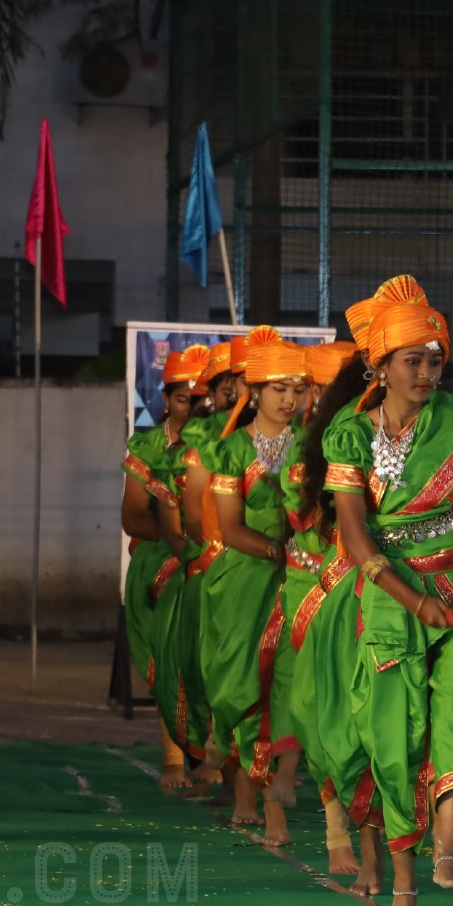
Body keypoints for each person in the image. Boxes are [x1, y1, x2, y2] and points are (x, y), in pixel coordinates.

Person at [304, 274, 453, 906]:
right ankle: (400, 879)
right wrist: (410, 600)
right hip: (388, 596)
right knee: (390, 737)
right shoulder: (348, 432)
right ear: (380, 363)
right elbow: (352, 533)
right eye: (414, 361)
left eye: (435, 359)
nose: (428, 372)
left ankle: (446, 852)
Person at [205, 326, 306, 837]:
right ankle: (245, 785)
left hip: (298, 579)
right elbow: (230, 529)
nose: (290, 400)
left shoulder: (313, 447)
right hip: (244, 579)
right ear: (255, 391)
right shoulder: (230, 452)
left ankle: (274, 798)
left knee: (285, 683)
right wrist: (278, 550)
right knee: (243, 681)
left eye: (298, 390)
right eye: (279, 389)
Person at [278, 341, 359, 871]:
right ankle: (336, 831)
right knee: (323, 707)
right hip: (329, 587)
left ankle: (444, 805)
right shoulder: (310, 455)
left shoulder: (413, 438)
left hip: (399, 583)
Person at [156, 342, 238, 793]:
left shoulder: (266, 445)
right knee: (192, 663)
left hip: (257, 567)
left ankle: (238, 764)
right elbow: (182, 522)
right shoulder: (195, 451)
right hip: (205, 566)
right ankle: (189, 756)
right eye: (228, 390)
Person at [122, 348, 200, 791]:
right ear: (167, 400)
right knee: (173, 638)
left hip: (213, 552)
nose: (194, 407)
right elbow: (133, 519)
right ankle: (174, 757)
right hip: (158, 557)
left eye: (201, 399)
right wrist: (179, 537)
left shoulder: (219, 446)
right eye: (185, 399)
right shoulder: (147, 448)